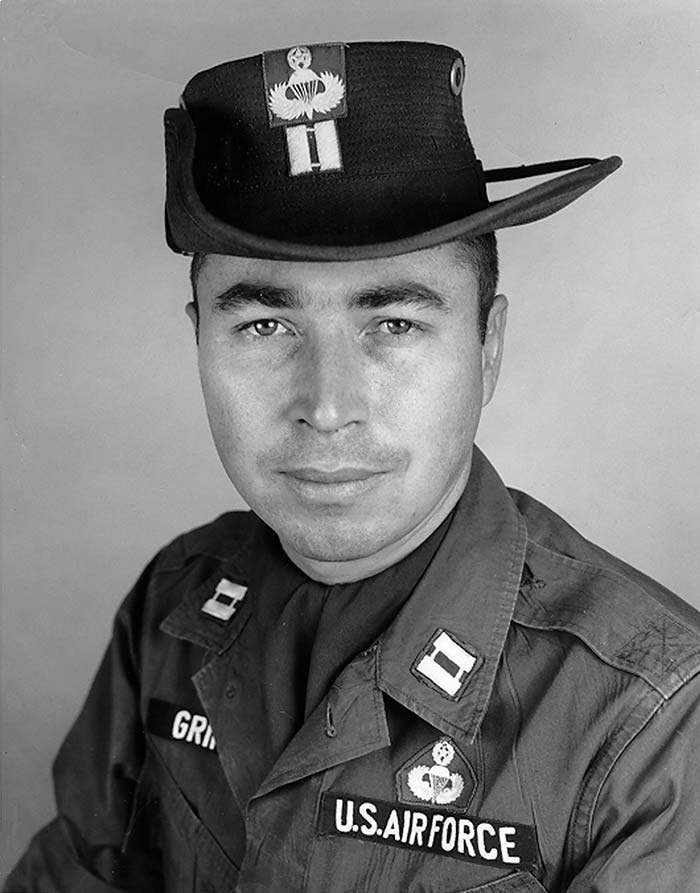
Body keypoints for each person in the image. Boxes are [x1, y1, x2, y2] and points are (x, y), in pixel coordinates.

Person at [4, 40, 699, 893]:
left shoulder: (653, 718)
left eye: (394, 324)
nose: (327, 406)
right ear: (199, 341)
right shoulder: (175, 604)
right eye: (265, 326)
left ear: (487, 349)